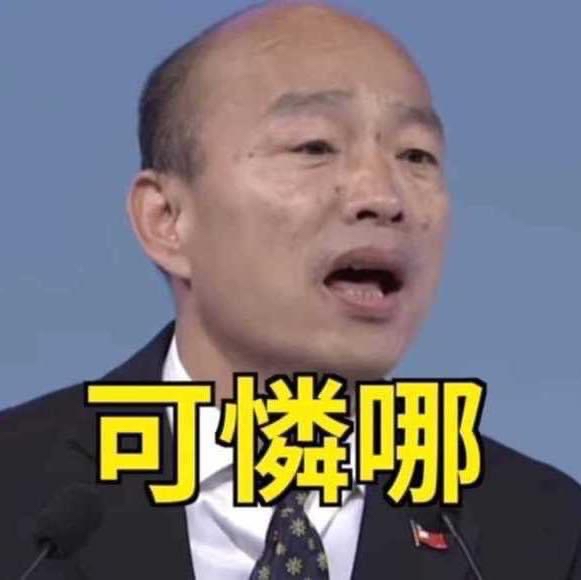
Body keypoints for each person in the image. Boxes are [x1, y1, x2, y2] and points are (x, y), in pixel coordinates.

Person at [1, 1, 580, 579]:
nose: (383, 197)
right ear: (167, 219)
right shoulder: (23, 495)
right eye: (314, 147)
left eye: (416, 155)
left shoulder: (543, 531)